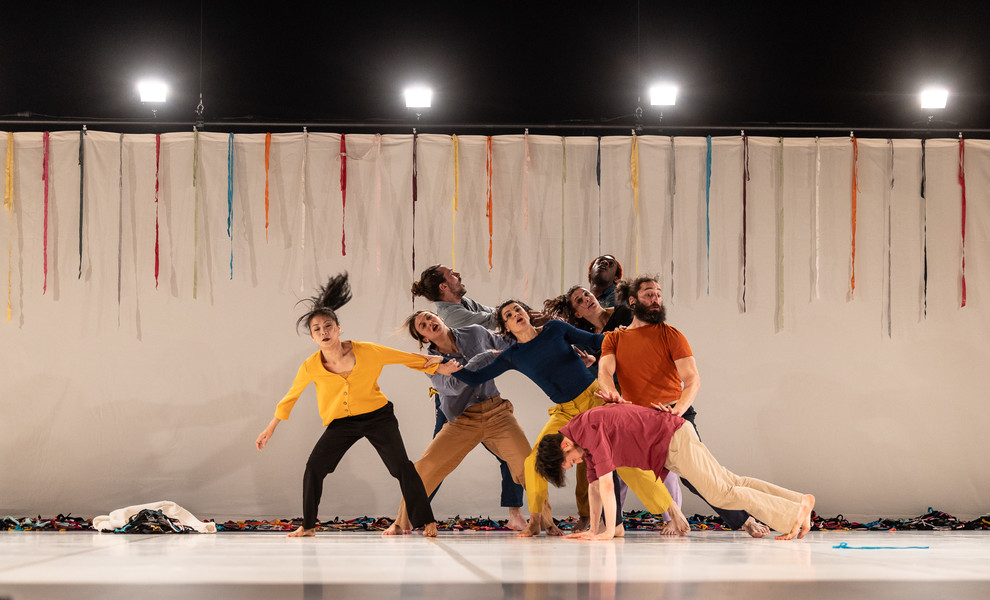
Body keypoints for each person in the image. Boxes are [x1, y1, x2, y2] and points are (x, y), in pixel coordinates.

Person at [446, 300, 685, 537]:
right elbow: (476, 377)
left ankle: (673, 512)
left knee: (625, 460)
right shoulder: (512, 356)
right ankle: (536, 520)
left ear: (526, 314)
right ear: (506, 327)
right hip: (566, 412)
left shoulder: (555, 329)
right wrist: (446, 367)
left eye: (517, 309)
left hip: (595, 401)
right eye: (508, 315)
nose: (515, 314)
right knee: (533, 461)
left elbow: (596, 341)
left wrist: (624, 335)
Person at [255, 273, 440, 538]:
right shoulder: (310, 366)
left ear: (339, 327)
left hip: (378, 417)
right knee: (314, 468)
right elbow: (291, 396)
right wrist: (271, 427)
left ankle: (427, 521)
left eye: (328, 326)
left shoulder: (367, 350)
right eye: (317, 329)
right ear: (312, 337)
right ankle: (308, 526)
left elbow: (404, 358)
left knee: (401, 467)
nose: (323, 332)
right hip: (342, 423)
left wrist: (438, 365)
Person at [596, 275, 770, 538]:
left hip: (673, 413)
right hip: (637, 417)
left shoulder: (671, 335)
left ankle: (745, 520)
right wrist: (612, 394)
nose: (656, 299)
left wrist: (678, 410)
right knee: (612, 466)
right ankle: (610, 525)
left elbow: (692, 379)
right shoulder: (614, 338)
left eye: (658, 294)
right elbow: (605, 372)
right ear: (632, 301)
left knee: (697, 476)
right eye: (648, 294)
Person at [535, 404, 815, 541]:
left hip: (674, 440)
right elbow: (596, 487)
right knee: (732, 482)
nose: (575, 464)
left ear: (565, 445)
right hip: (671, 444)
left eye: (568, 462)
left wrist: (607, 533)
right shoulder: (584, 443)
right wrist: (595, 530)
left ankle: (792, 514)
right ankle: (798, 501)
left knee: (723, 494)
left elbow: (608, 485)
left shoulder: (587, 429)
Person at [383, 311, 551, 535]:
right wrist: (484, 358)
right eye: (423, 325)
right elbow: (452, 387)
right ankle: (401, 523)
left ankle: (547, 521)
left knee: (528, 464)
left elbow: (510, 345)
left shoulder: (475, 333)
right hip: (462, 420)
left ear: (441, 318)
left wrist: (540, 333)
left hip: (497, 412)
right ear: (424, 338)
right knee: (426, 468)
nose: (429, 323)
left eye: (430, 317)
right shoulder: (429, 362)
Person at [544, 285, 684, 526]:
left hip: (649, 391)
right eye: (579, 300)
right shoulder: (586, 337)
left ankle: (672, 517)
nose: (586, 299)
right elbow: (601, 372)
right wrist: (592, 362)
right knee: (617, 464)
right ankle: (612, 522)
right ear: (577, 313)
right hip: (619, 398)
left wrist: (627, 334)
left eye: (586, 294)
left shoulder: (623, 314)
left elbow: (648, 338)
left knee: (659, 457)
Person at [410, 264, 527, 525]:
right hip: (455, 403)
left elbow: (496, 318)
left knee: (511, 456)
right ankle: (416, 515)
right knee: (436, 462)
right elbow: (496, 321)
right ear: (443, 286)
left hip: (487, 402)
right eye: (452, 274)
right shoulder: (453, 316)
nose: (458, 275)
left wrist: (530, 331)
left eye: (430, 320)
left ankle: (515, 515)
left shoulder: (466, 304)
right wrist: (519, 319)